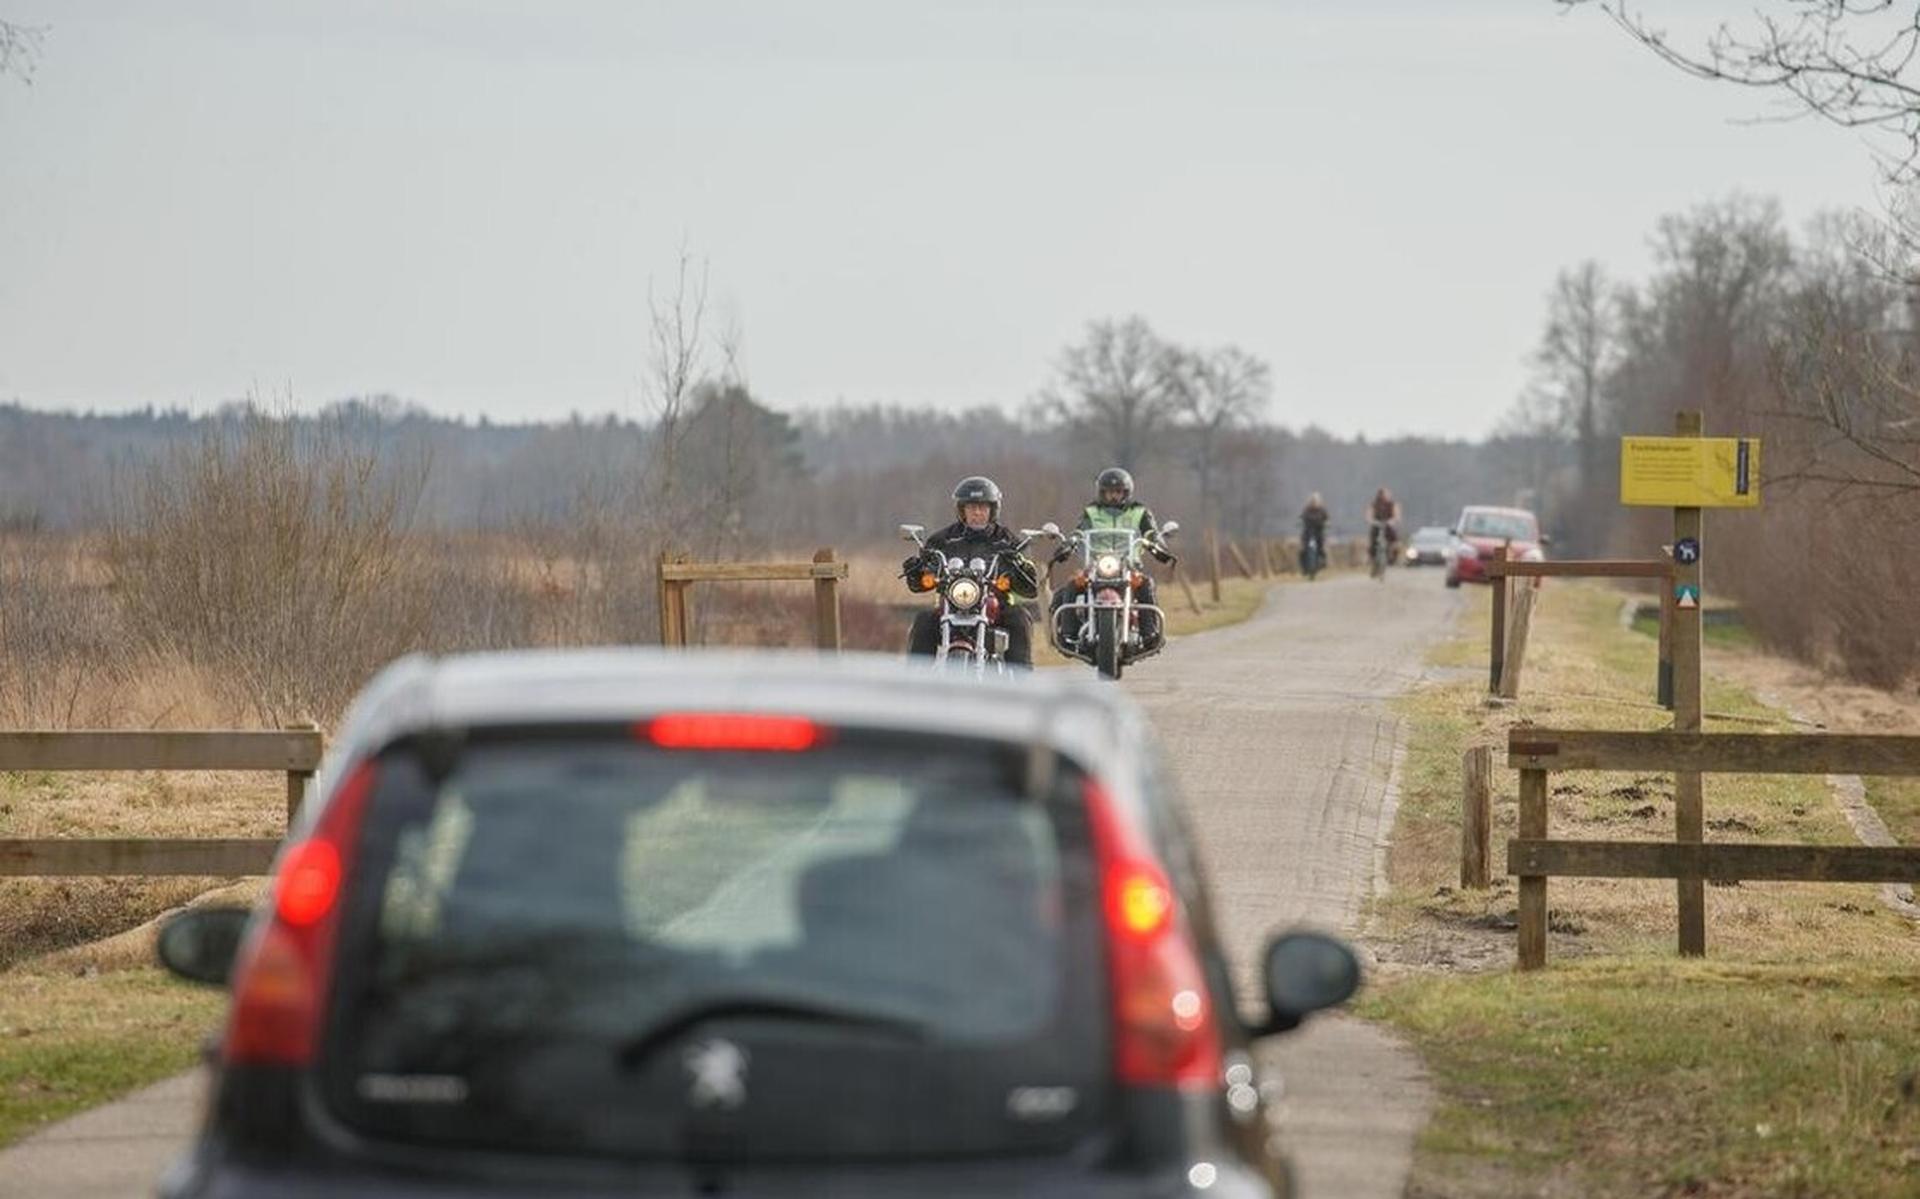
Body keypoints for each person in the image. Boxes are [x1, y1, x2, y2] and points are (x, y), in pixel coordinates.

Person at [902, 476, 1039, 667]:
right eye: (971, 507)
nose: (977, 512)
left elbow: (1030, 588)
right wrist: (916, 570)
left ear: (993, 510)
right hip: (951, 604)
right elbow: (923, 577)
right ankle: (915, 683)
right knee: (923, 620)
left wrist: (1020, 567)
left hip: (996, 605)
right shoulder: (942, 540)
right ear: (961, 510)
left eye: (983, 507)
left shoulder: (1007, 541)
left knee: (1019, 618)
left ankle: (1022, 681)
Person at [1048, 467, 1175, 653]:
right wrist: (1069, 543)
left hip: (1129, 565)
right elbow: (1079, 531)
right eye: (1109, 492)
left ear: (1126, 492)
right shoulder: (1091, 512)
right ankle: (1069, 634)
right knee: (1072, 585)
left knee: (1146, 585)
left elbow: (1151, 532)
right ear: (1101, 492)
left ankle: (1150, 634)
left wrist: (1158, 545)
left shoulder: (1139, 512)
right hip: (1096, 564)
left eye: (1118, 492)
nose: (1113, 496)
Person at [1366, 486, 1402, 564]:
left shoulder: (1393, 504)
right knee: (1372, 542)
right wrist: (1372, 521)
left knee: (1395, 542)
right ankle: (1372, 558)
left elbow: (1397, 515)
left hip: (1388, 526)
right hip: (1377, 526)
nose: (1386, 496)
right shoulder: (1374, 504)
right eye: (1384, 494)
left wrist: (1392, 521)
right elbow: (1369, 515)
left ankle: (1394, 557)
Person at [1299, 492, 1330, 569]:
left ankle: (1322, 561)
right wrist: (1301, 522)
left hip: (1318, 532)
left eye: (1315, 501)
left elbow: (1327, 519)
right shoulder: (1307, 510)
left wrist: (1326, 524)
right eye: (1313, 501)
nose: (1314, 503)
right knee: (1304, 549)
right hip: (1309, 533)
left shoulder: (1322, 510)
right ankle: (1305, 566)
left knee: (1322, 547)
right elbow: (1302, 518)